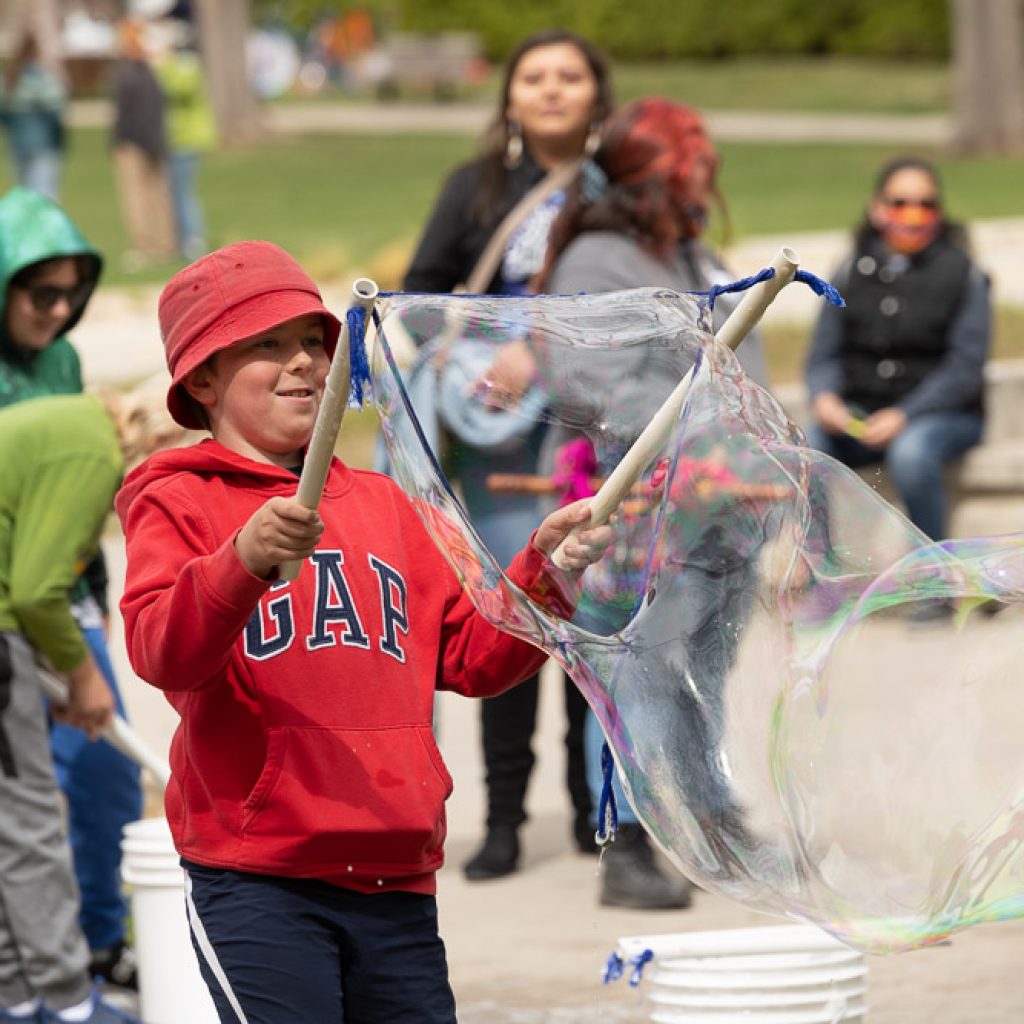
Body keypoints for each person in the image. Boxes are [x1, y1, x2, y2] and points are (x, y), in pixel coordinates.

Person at [115, 240, 612, 1023]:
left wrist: (547, 574)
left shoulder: (385, 504)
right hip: (261, 879)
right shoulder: (176, 500)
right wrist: (242, 560)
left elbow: (474, 658)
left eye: (313, 342)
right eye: (267, 345)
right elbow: (161, 651)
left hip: (394, 872)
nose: (303, 362)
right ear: (202, 379)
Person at [534, 96, 771, 909]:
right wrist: (708, 448)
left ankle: (706, 813)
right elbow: (591, 384)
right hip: (636, 519)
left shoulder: (692, 254)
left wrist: (760, 454)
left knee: (703, 669)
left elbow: (742, 370)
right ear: (645, 179)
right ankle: (627, 842)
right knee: (637, 674)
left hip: (720, 512)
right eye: (689, 172)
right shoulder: (597, 260)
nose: (703, 187)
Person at [402, 28, 615, 881]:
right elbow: (416, 297)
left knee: (589, 620)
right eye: (534, 77)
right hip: (497, 439)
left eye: (570, 76)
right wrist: (483, 350)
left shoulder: (620, 188)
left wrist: (546, 347)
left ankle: (595, 813)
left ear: (598, 94)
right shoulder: (476, 186)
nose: (552, 89)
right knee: (512, 615)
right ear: (511, 97)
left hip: (591, 435)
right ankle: (502, 822)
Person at [0, 185, 144, 989]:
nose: (58, 311)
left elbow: (80, 504)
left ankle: (98, 941)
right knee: (22, 806)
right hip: (13, 602)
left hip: (59, 594)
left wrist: (94, 609)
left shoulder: (61, 360)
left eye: (72, 293)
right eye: (39, 292)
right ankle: (32, 979)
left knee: (104, 772)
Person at [0, 382, 179, 1024]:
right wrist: (84, 677)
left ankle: (16, 998)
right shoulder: (94, 451)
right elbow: (36, 591)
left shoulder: (69, 424)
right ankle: (70, 1003)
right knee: (30, 825)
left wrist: (54, 672)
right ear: (156, 444)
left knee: (7, 823)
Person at [804, 156, 990, 544]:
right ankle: (818, 563)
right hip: (860, 416)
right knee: (809, 448)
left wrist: (905, 414)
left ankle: (932, 567)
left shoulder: (963, 274)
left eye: (926, 204)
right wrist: (825, 398)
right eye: (900, 203)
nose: (913, 215)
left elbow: (965, 369)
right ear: (877, 209)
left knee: (911, 452)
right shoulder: (850, 271)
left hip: (941, 416)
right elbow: (824, 354)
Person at [110, 19, 176, 269]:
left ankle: (145, 247)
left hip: (133, 143)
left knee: (137, 198)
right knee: (159, 196)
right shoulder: (150, 71)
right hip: (155, 140)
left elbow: (124, 114)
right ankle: (165, 244)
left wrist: (119, 142)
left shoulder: (125, 73)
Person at [152, 21, 217, 261]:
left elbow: (179, 90)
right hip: (173, 140)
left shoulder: (187, 65)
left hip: (186, 140)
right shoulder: (178, 66)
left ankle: (193, 238)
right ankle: (180, 238)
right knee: (174, 193)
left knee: (183, 193)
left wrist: (164, 66)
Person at [0, 29, 66, 202]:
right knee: (45, 196)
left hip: (18, 144)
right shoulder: (43, 77)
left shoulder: (10, 77)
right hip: (44, 143)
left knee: (26, 197)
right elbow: (55, 109)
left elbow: (4, 113)